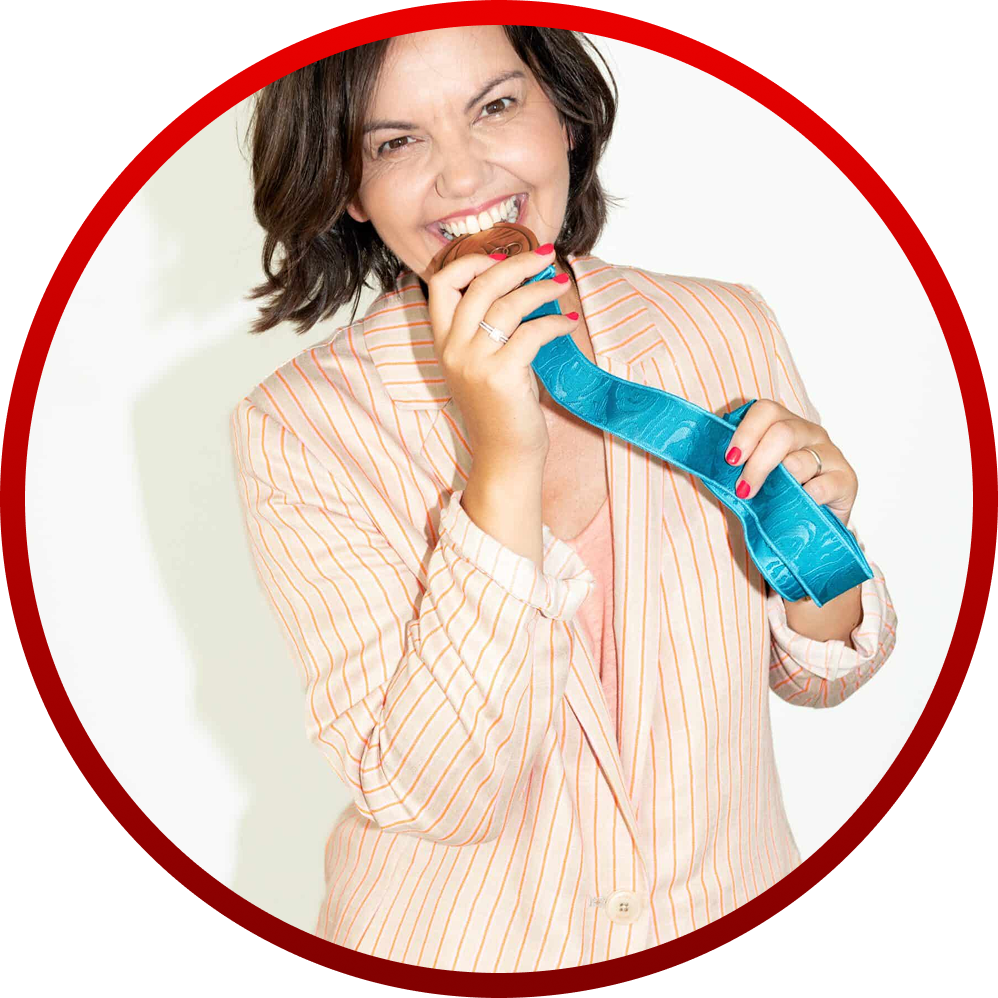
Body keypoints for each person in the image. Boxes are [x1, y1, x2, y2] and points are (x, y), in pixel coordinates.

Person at [230, 25, 897, 971]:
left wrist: (812, 541)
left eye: (496, 106)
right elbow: (438, 797)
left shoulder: (723, 330)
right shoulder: (301, 426)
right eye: (396, 141)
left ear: (566, 116)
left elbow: (823, 677)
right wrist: (504, 463)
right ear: (347, 188)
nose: (464, 176)